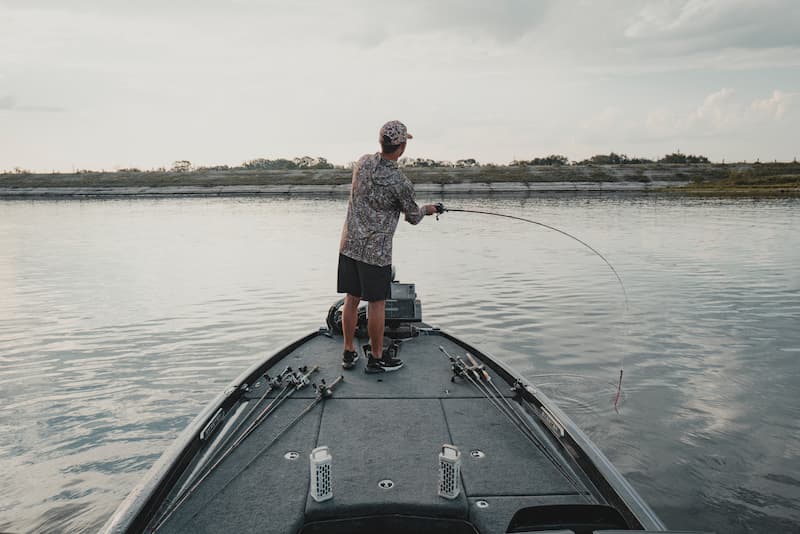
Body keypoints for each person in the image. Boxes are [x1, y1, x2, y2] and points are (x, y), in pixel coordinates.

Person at [337, 120, 443, 373]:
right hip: (376, 252)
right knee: (377, 303)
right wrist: (429, 209)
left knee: (351, 299)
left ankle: (349, 352)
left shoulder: (361, 163)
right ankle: (376, 357)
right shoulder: (400, 182)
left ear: (380, 141)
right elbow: (413, 216)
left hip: (349, 245)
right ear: (402, 145)